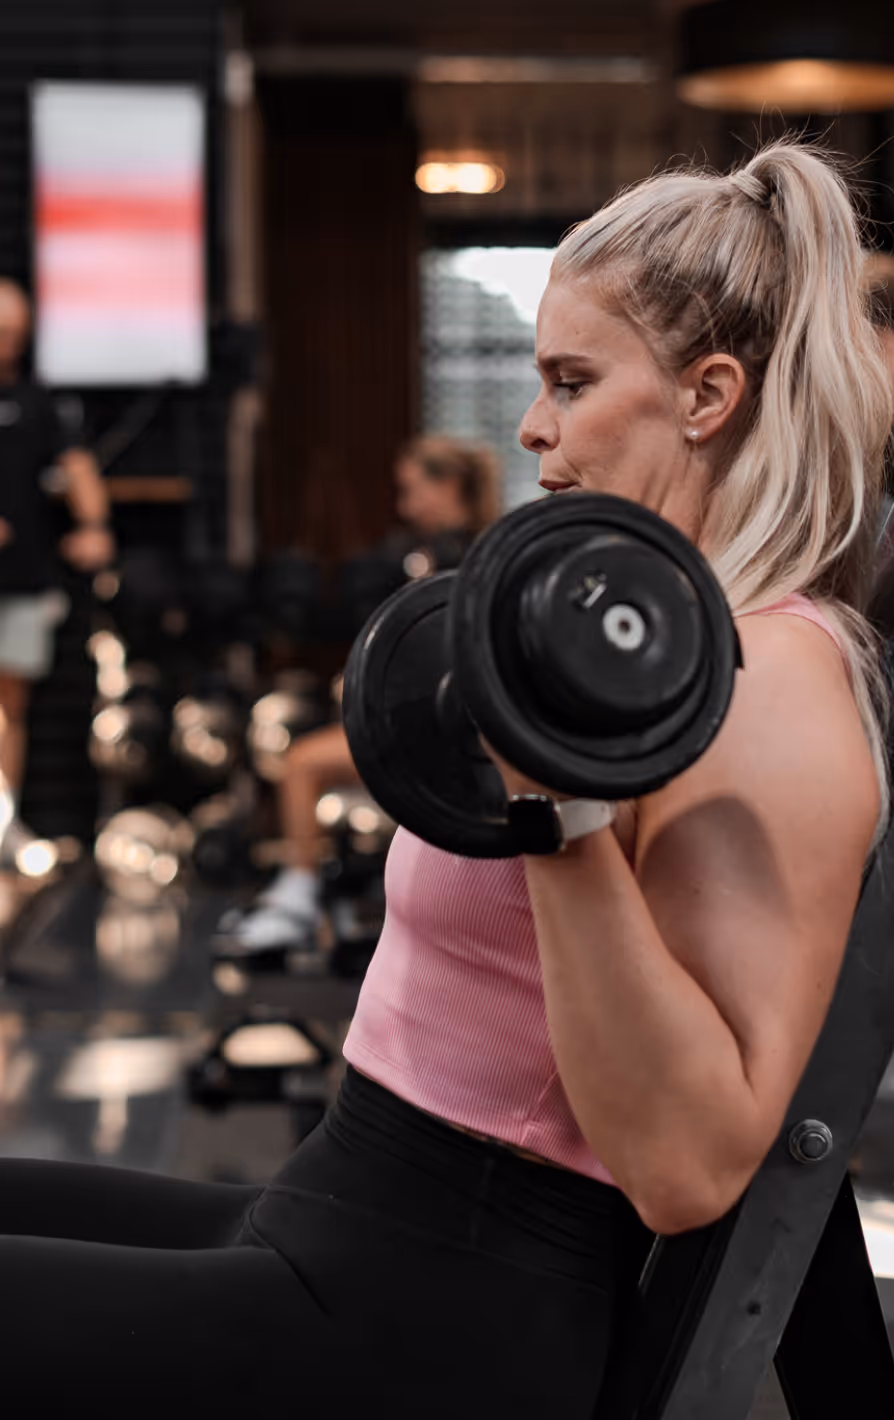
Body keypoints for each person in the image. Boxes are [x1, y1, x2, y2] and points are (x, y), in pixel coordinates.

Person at [0, 139, 890, 1417]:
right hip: (337, 1213)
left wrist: (562, 807)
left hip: (436, 1314)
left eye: (572, 382)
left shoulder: (775, 685)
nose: (533, 425)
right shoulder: (656, 646)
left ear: (709, 394)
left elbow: (691, 1163)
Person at [217, 434, 501, 958]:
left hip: (442, 733)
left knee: (301, 763)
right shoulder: (451, 553)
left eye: (412, 489)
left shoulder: (454, 561)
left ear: (450, 485)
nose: (404, 505)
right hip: (438, 728)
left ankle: (297, 903)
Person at [0, 279, 114, 855]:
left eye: (15, 335)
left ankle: (2, 821)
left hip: (20, 580)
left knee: (11, 705)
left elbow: (76, 467)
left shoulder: (39, 401)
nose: (8, 344)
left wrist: (93, 525)